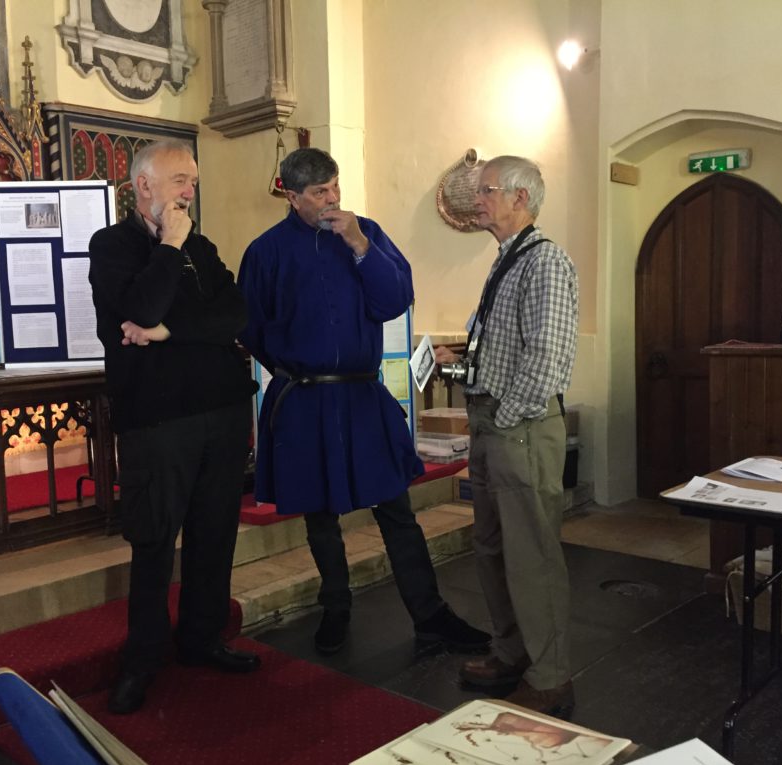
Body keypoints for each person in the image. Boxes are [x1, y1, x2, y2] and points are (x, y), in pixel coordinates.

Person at [237, 147, 490, 657]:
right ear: (290, 195)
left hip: (360, 394)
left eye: (335, 187)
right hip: (304, 397)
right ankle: (336, 606)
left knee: (396, 509)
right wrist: (296, 367)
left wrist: (356, 244)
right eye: (318, 193)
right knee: (319, 514)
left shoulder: (366, 232)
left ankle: (431, 614)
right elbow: (251, 327)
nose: (332, 200)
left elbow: (394, 300)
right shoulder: (265, 252)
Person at [88, 139, 260, 715]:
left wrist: (167, 333)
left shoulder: (202, 247)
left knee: (215, 535)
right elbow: (141, 307)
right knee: (155, 542)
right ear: (144, 186)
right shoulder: (112, 247)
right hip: (157, 422)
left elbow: (235, 313)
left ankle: (202, 638)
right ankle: (142, 660)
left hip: (222, 412)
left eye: (193, 181)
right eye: (181, 180)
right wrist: (169, 248)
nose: (191, 191)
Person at [436, 155, 578, 716]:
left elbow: (549, 357)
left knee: (531, 555)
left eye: (489, 190)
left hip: (518, 427)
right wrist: (464, 359)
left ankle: (550, 678)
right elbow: (508, 344)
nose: (480, 200)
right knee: (493, 547)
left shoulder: (545, 262)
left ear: (522, 198)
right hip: (492, 421)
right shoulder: (506, 261)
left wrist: (506, 416)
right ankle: (510, 651)